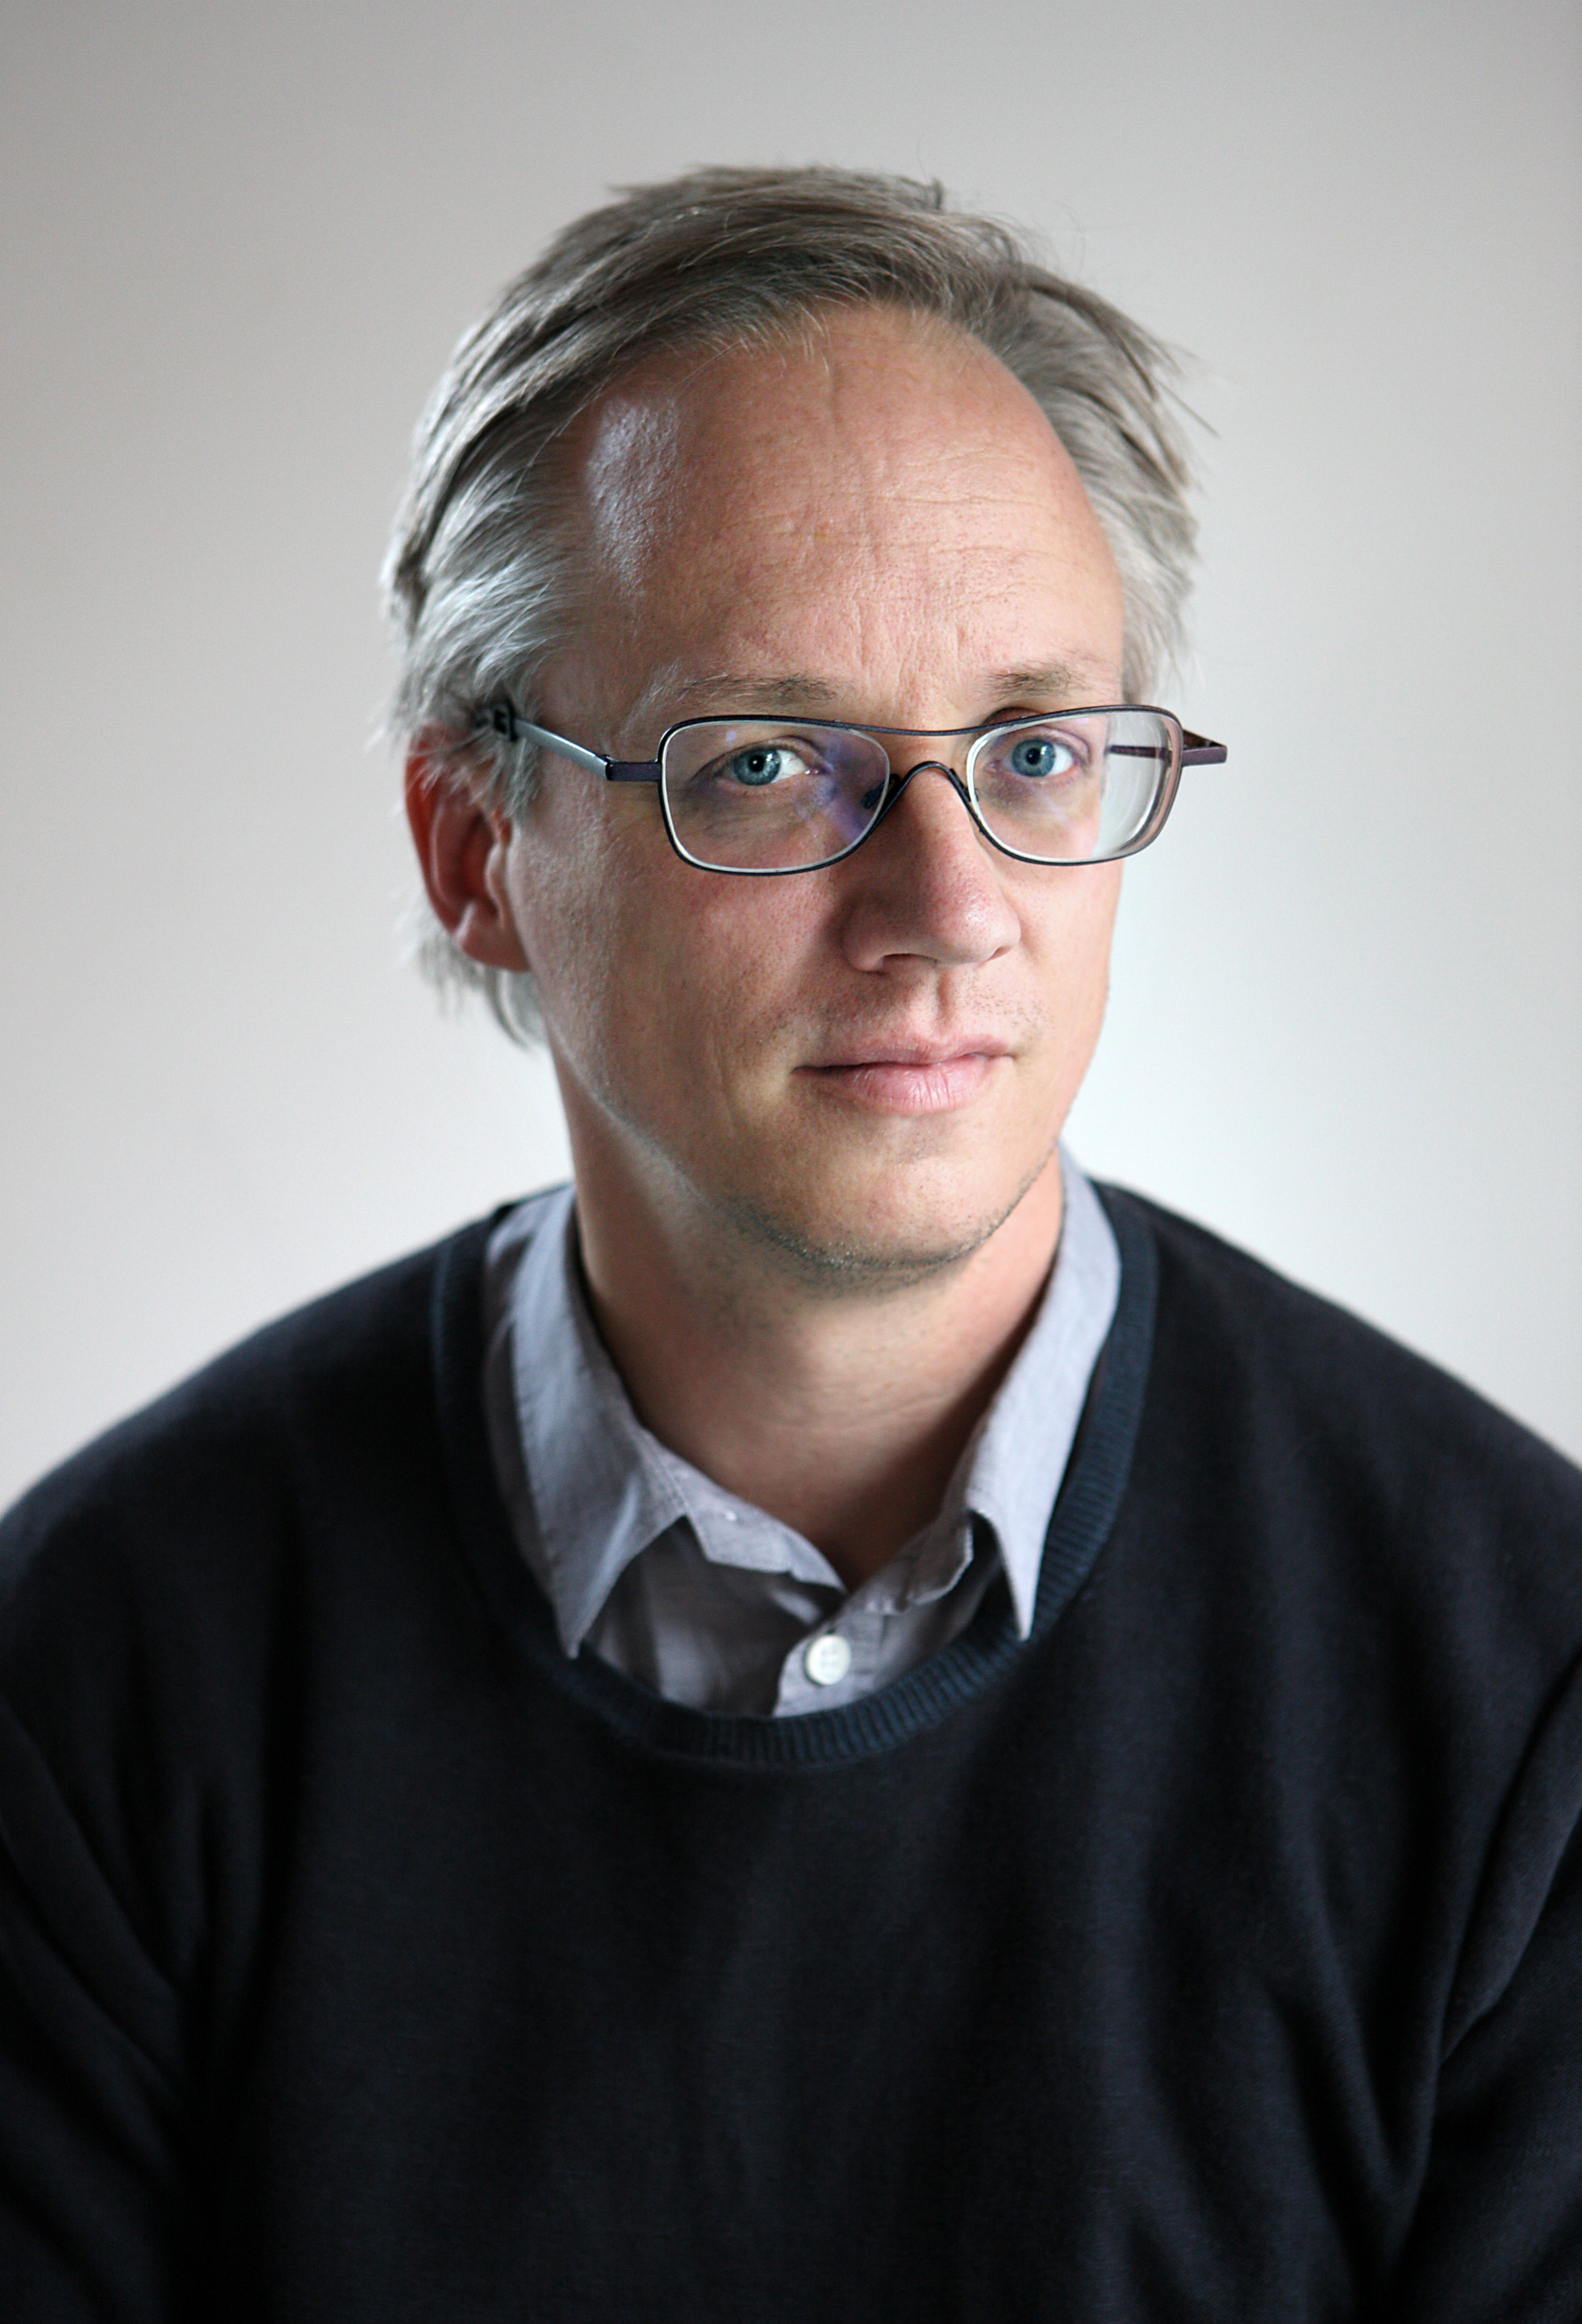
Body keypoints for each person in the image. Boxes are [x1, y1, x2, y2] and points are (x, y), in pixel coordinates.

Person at [2, 166, 1580, 2322]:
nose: (948, 907)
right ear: (475, 848)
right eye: (762, 762)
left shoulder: (1517, 1695)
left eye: (1035, 748)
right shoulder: (103, 1677)